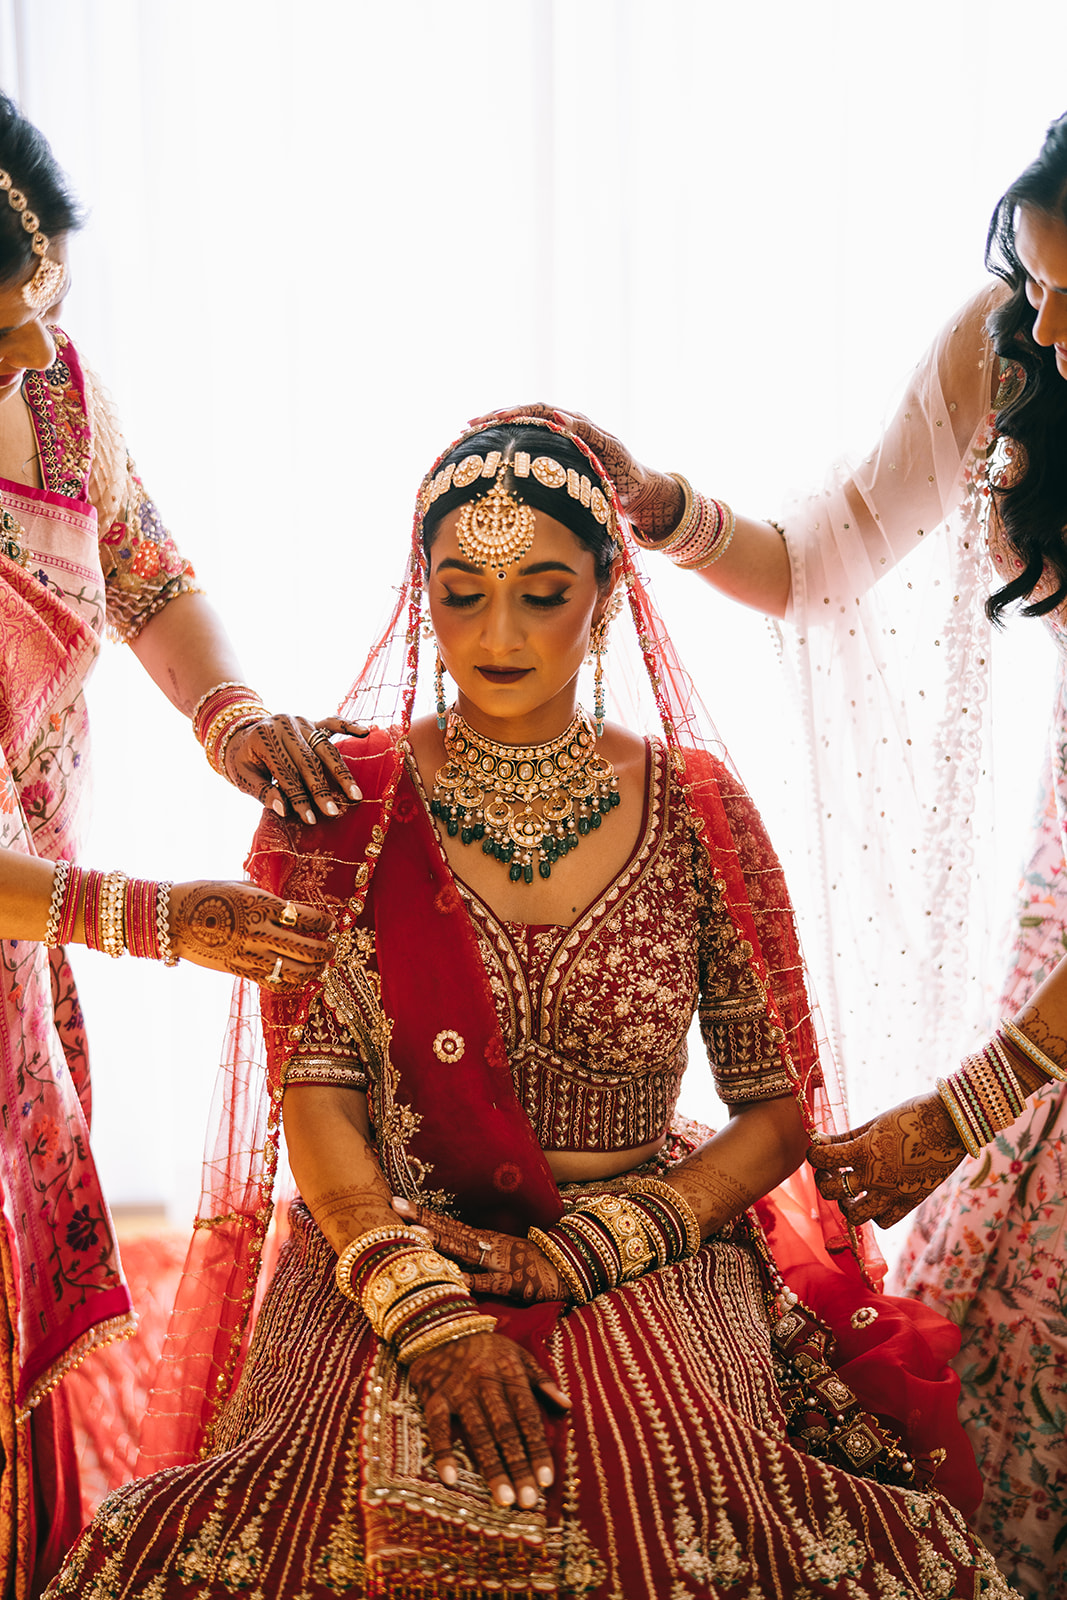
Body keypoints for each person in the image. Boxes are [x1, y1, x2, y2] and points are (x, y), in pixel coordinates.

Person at [46, 419, 1019, 1599]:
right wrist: (419, 1306)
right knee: (302, 1503)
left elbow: (771, 1115)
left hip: (648, 1240)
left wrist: (594, 1246)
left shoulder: (694, 806)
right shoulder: (345, 805)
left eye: (541, 592)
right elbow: (318, 1098)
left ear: (606, 594)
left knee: (677, 1484)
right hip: (392, 1243)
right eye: (461, 594)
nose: (497, 635)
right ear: (425, 596)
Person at [480, 112, 1067, 1600]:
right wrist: (655, 504)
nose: (1049, 329)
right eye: (1041, 285)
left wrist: (961, 1109)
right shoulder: (1017, 345)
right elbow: (821, 561)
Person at [0, 94, 361, 1597]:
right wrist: (149, 918)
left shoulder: (59, 390)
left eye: (45, 305)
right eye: (0, 321)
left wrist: (234, 719)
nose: (33, 348)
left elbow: (143, 573)